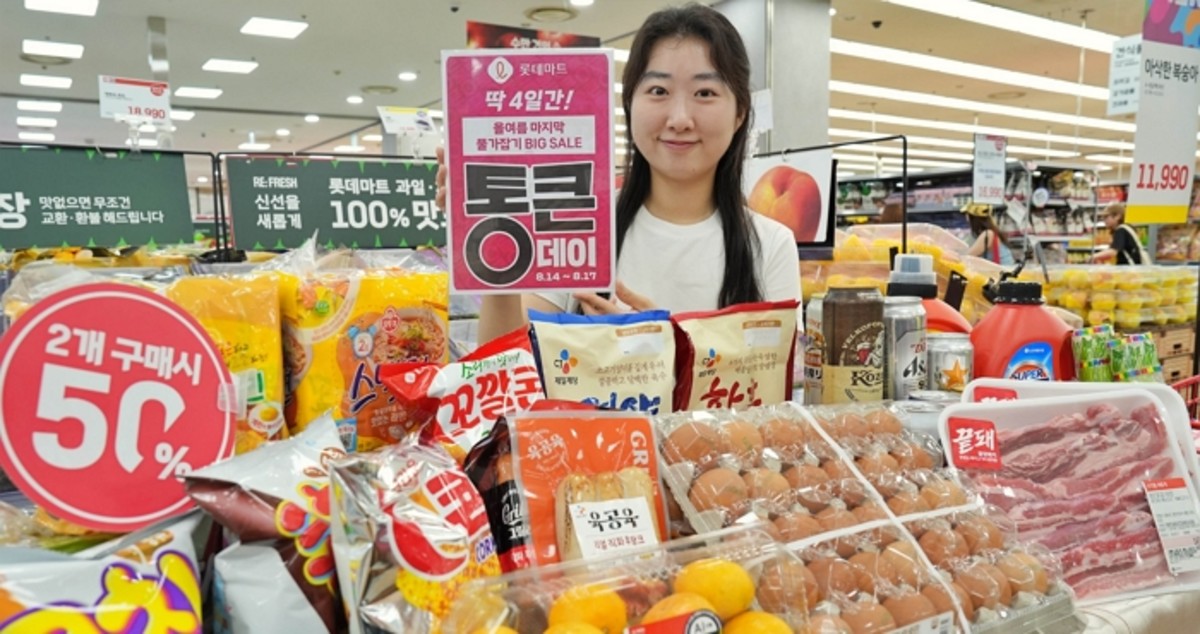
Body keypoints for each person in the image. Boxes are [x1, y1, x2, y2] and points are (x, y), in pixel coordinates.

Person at [437, 4, 801, 344]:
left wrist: (660, 351)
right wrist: (494, 235)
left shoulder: (769, 246)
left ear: (740, 113)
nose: (679, 119)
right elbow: (507, 362)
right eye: (658, 90)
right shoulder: (576, 225)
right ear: (629, 105)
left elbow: (776, 387)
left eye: (705, 92)